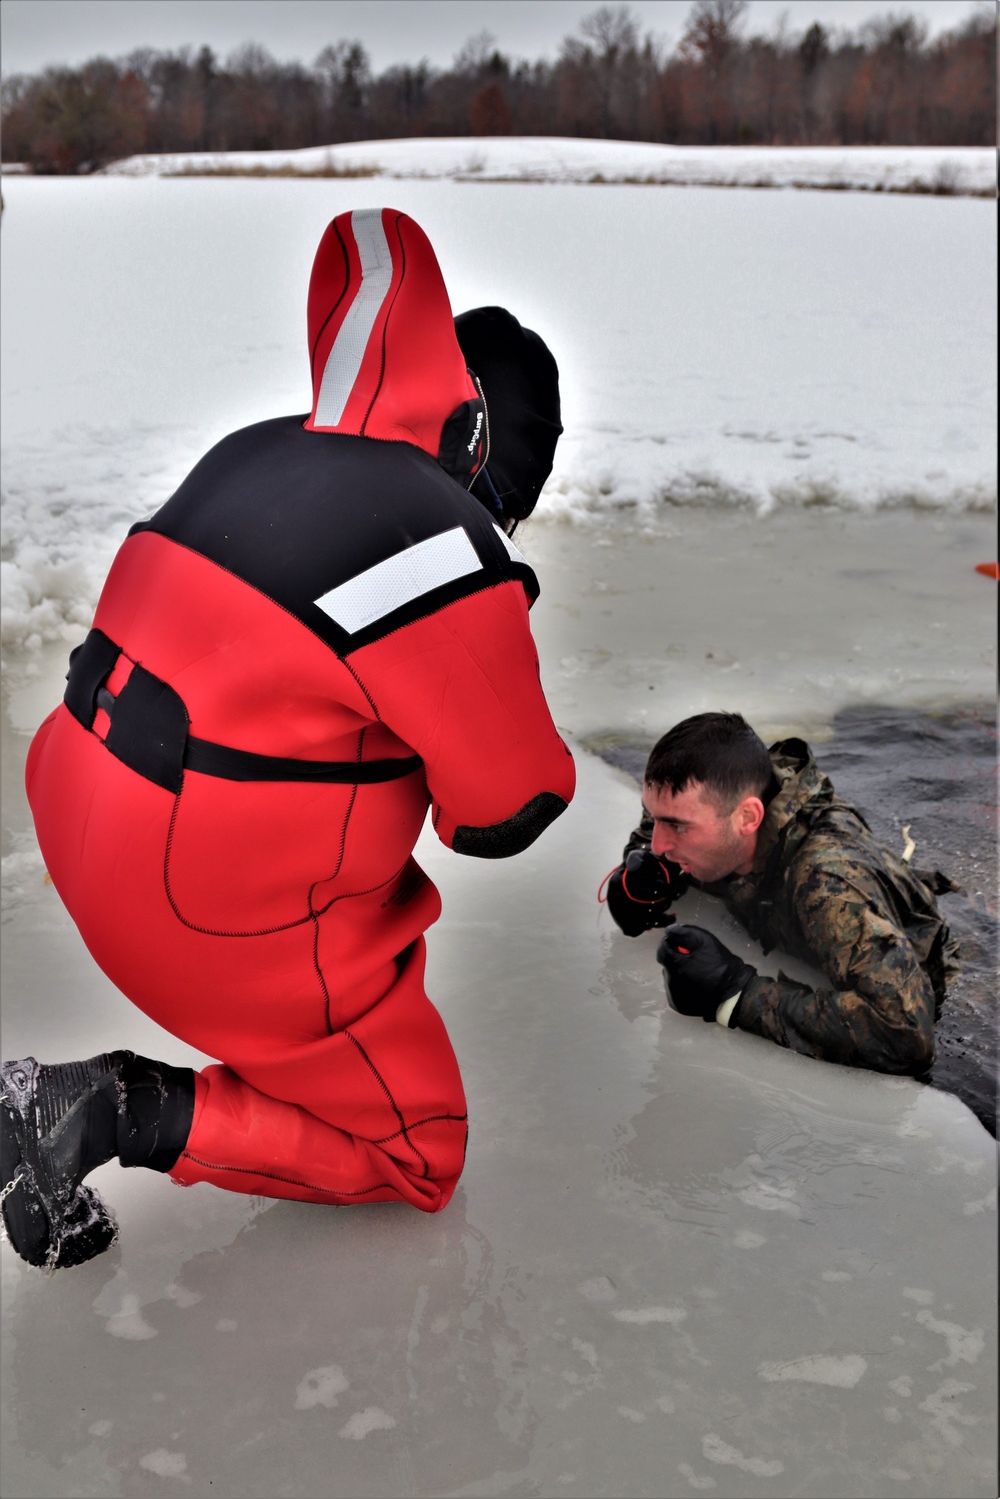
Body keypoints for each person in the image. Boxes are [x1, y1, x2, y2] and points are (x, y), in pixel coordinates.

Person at [1, 207, 575, 1272]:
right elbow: (503, 811)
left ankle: (260, 1053)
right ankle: (109, 1108)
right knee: (419, 1153)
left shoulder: (258, 446)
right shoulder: (447, 544)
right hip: (188, 898)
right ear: (490, 448)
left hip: (73, 810)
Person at [605, 711, 958, 1073]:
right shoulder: (719, 800)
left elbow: (907, 1036)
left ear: (747, 818)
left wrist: (737, 995)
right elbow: (654, 831)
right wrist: (642, 877)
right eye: (655, 817)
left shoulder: (827, 885)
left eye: (677, 827)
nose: (660, 842)